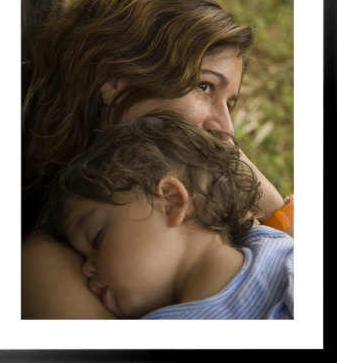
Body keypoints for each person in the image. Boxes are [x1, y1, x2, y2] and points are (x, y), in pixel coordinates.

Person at [22, 0, 293, 319]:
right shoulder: (49, 262)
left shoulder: (206, 201)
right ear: (112, 77)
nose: (226, 128)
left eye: (230, 103)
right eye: (205, 86)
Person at [39, 113, 293, 320]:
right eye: (82, 255)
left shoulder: (271, 241)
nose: (85, 269)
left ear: (171, 201)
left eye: (96, 239)